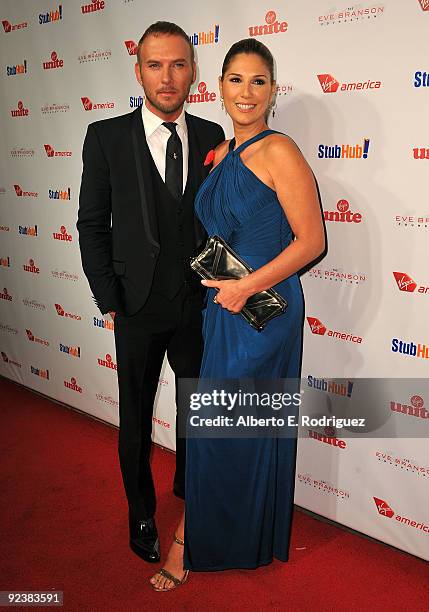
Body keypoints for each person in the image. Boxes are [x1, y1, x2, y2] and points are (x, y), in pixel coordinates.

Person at [150, 38, 325, 591]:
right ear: (218, 87)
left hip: (264, 313)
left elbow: (312, 241)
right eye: (235, 80)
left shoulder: (280, 151)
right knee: (228, 429)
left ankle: (189, 539)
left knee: (226, 429)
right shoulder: (225, 154)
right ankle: (235, 534)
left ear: (273, 90)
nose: (245, 92)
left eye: (258, 81)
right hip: (224, 309)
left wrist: (246, 285)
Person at [77, 22, 224, 565]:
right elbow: (91, 224)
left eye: (178, 64)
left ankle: (190, 487)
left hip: (197, 306)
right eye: (156, 65)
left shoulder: (212, 137)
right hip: (135, 308)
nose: (168, 77)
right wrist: (109, 300)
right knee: (136, 419)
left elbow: (218, 224)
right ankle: (141, 510)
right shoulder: (106, 137)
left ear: (192, 72)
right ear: (138, 71)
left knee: (196, 409)